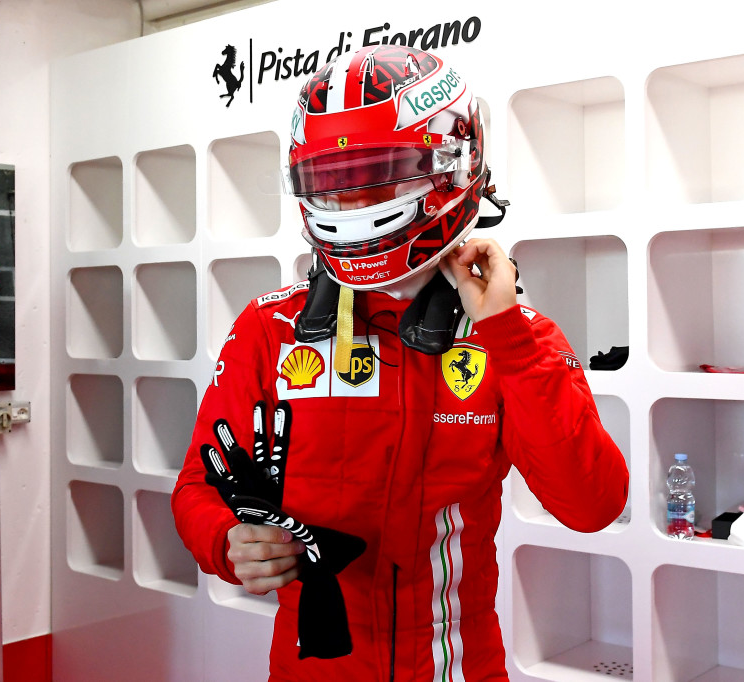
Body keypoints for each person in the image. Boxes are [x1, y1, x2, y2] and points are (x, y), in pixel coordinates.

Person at [172, 45, 629, 682]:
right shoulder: (270, 329)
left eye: (378, 173)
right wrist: (226, 541)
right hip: (313, 663)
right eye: (331, 181)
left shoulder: (513, 339)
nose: (353, 202)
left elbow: (593, 504)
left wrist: (508, 337)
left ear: (452, 162)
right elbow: (198, 487)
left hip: (455, 664)